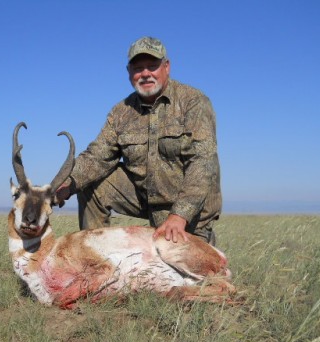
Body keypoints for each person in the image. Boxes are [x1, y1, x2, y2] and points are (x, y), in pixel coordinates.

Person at [56, 36, 221, 245]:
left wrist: (180, 215)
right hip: (147, 202)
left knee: (186, 274)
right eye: (138, 68)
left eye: (152, 66)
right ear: (129, 72)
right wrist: (66, 184)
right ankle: (95, 259)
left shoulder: (193, 102)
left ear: (166, 67)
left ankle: (200, 241)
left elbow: (202, 164)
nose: (145, 74)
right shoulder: (121, 112)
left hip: (190, 214)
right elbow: (97, 156)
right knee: (89, 183)